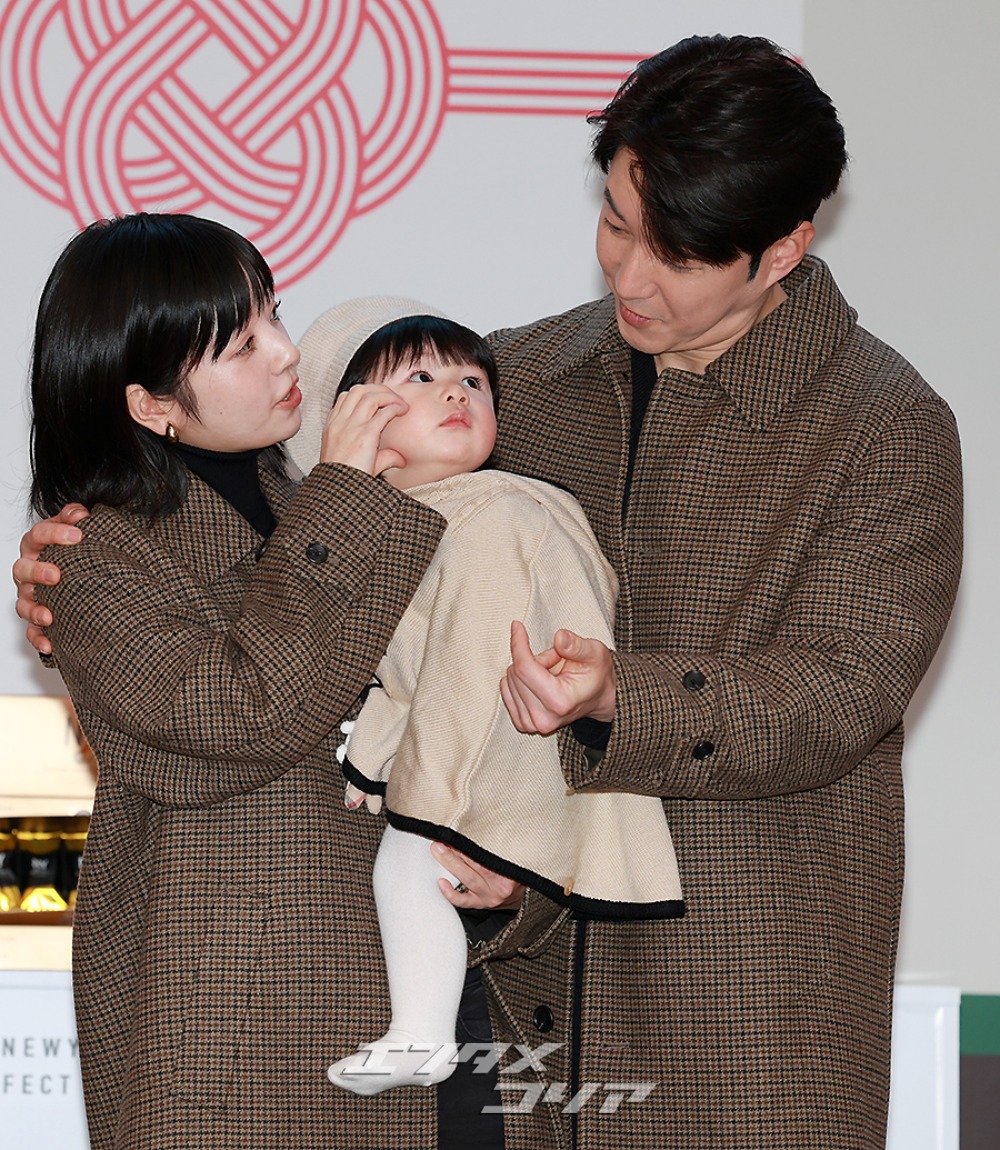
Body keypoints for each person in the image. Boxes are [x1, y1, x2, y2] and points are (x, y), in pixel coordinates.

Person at [15, 34, 965, 1150]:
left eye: (675, 255)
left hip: (733, 987)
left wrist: (619, 697)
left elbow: (840, 690)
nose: (628, 276)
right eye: (616, 222)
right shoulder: (520, 378)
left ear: (784, 249)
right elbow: (327, 580)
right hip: (493, 997)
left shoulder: (883, 429)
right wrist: (95, 572)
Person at [19, 214, 534, 1150]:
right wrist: (344, 496)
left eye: (275, 317)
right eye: (243, 345)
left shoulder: (337, 497)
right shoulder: (93, 559)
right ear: (151, 405)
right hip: (239, 1025)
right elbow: (244, 711)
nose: (287, 353)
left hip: (427, 993)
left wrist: (514, 872)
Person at [283, 308, 682, 1096]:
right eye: (421, 377)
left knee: (410, 864)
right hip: (487, 743)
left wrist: (412, 787)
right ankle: (419, 1034)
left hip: (507, 749)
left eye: (473, 380)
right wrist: (376, 756)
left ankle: (419, 1036)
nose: (457, 392)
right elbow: (409, 675)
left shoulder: (491, 514)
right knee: (411, 870)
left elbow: (466, 669)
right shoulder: (431, 519)